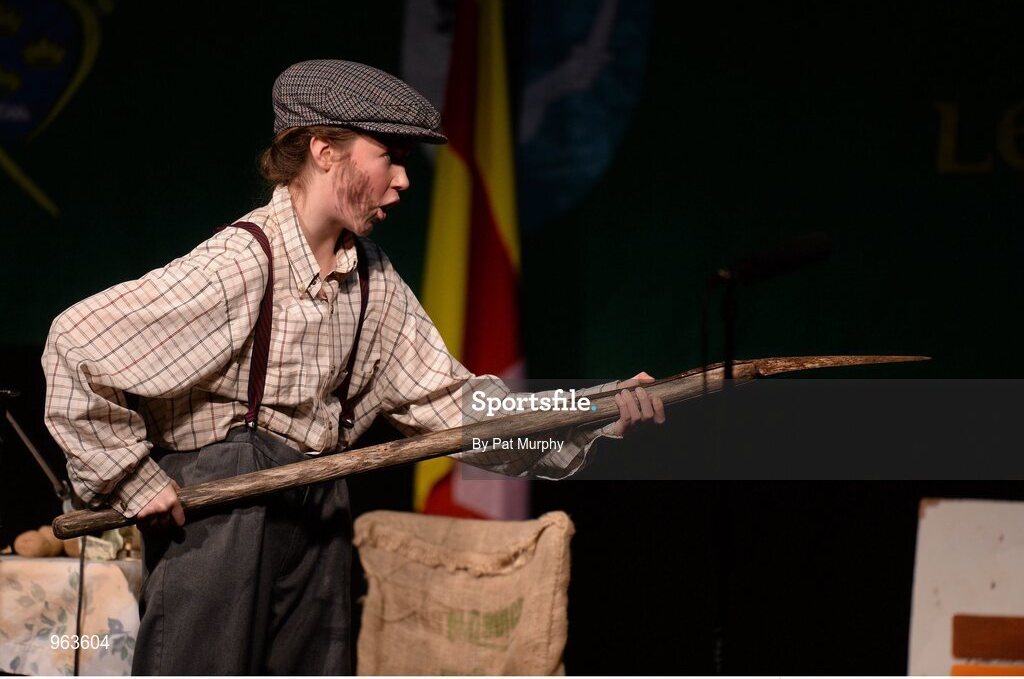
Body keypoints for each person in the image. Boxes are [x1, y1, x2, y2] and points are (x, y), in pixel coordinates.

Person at [42, 59, 665, 674]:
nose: (404, 179)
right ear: (324, 151)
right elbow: (75, 342)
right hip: (223, 519)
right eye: (388, 156)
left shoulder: (373, 282)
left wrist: (593, 411)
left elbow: (459, 406)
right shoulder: (243, 262)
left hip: (317, 510)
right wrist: (132, 476)